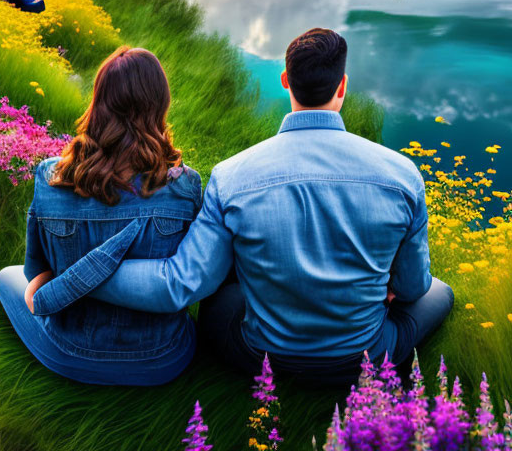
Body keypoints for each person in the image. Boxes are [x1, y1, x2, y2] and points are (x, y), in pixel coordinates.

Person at [32, 28, 453, 386]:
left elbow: (186, 282)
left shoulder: (231, 175)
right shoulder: (402, 174)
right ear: (342, 87)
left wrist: (77, 274)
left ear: (285, 81)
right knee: (439, 292)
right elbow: (414, 288)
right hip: (366, 356)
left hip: (263, 359)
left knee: (222, 295)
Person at [0, 46, 202, 385]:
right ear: (160, 106)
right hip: (163, 358)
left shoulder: (52, 176)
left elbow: (36, 272)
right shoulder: (185, 185)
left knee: (8, 275)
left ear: (99, 102)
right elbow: (193, 276)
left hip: (69, 353)